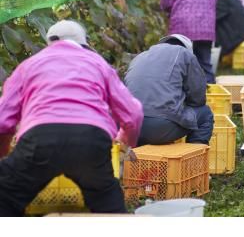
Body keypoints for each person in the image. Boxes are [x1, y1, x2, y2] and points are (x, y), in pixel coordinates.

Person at [0, 20, 143, 216]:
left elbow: (3, 118)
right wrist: (126, 141)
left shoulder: (29, 65)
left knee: (7, 196)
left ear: (49, 44)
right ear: (84, 44)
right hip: (90, 139)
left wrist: (4, 151)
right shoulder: (97, 63)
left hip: (41, 138)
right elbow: (133, 112)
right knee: (107, 201)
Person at [124, 34, 214, 146]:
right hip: (160, 127)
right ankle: (195, 160)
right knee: (205, 114)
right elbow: (198, 98)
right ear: (187, 48)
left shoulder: (139, 57)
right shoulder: (184, 54)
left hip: (130, 126)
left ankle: (141, 160)